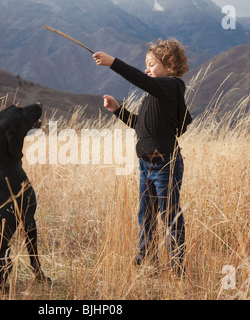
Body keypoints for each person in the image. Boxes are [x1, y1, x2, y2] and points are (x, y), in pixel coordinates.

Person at [93, 39, 192, 274]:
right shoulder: (153, 96)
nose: (147, 69)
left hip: (165, 164)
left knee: (169, 216)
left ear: (169, 64)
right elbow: (141, 127)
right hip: (146, 165)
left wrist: (113, 63)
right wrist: (118, 110)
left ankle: (176, 265)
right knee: (145, 213)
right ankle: (146, 256)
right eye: (145, 65)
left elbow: (143, 80)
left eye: (151, 64)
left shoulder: (171, 86)